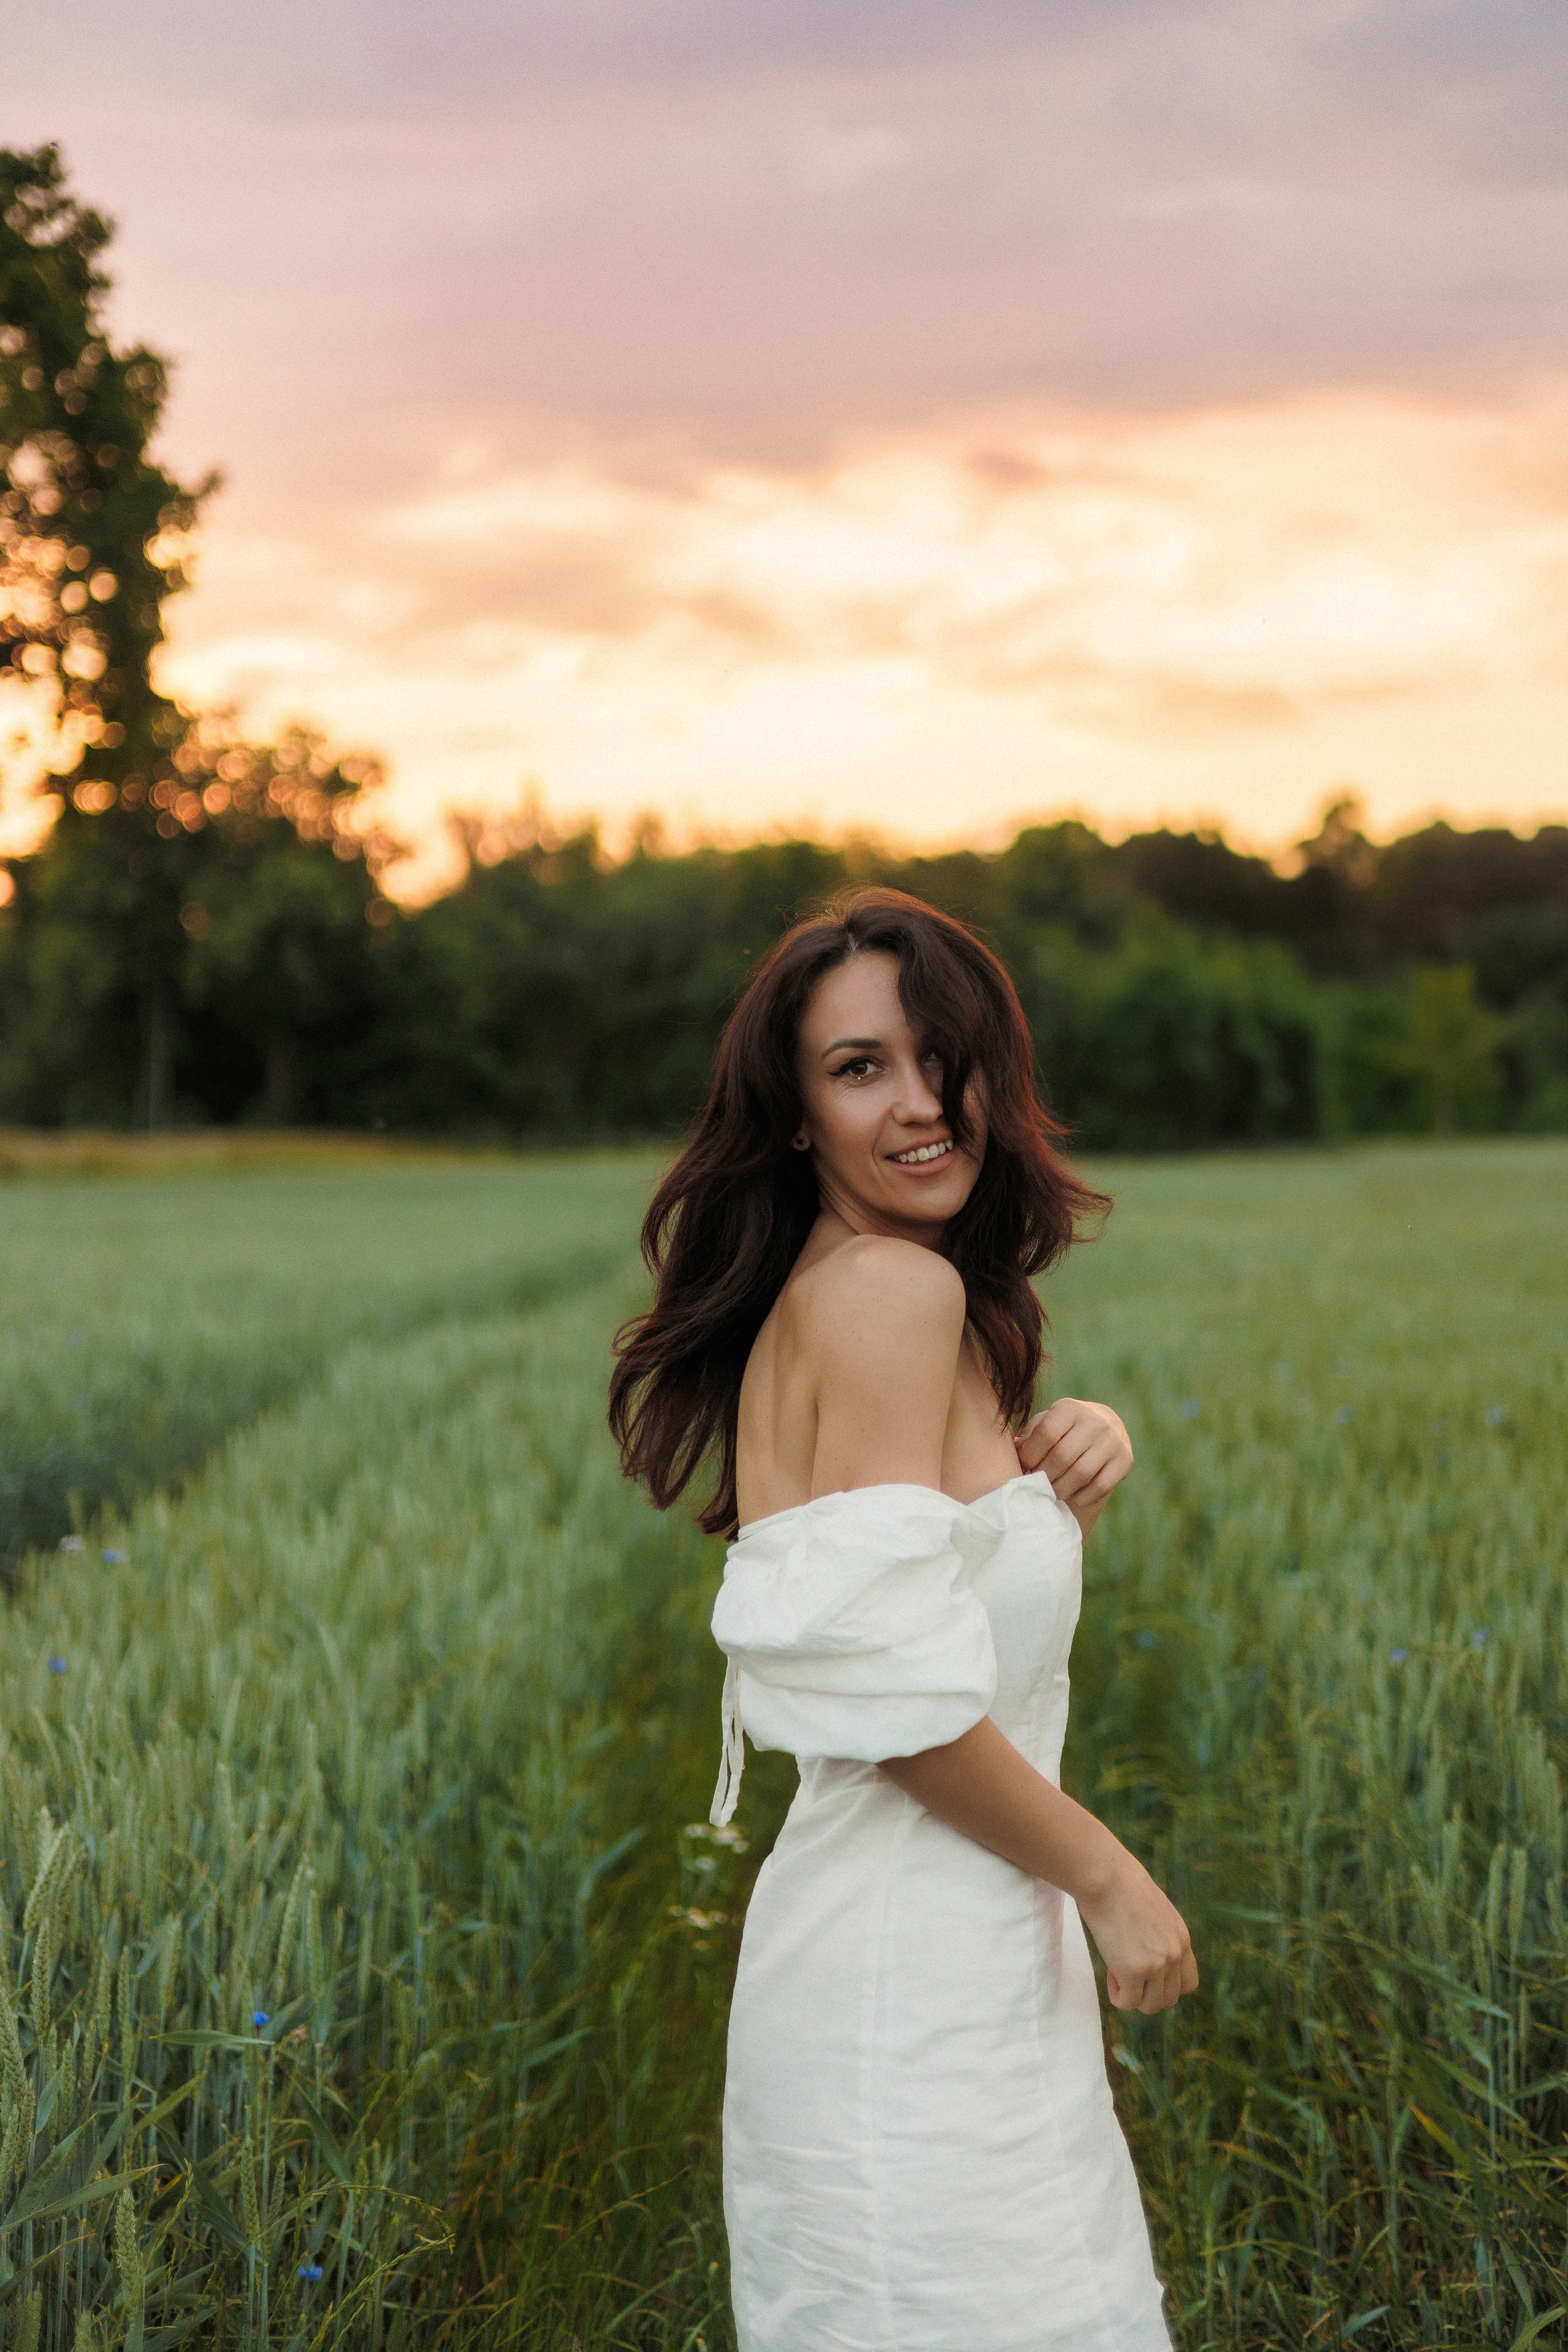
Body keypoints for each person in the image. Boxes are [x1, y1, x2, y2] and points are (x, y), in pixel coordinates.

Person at [610, 887, 1196, 2352]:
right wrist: (1108, 1876)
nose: (920, 1104)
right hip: (909, 1995)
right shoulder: (884, 1291)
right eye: (860, 1067)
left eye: (941, 1058)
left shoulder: (884, 1296)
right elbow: (898, 1698)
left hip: (966, 1971)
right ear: (794, 1114)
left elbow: (935, 1620)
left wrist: (1066, 1468)